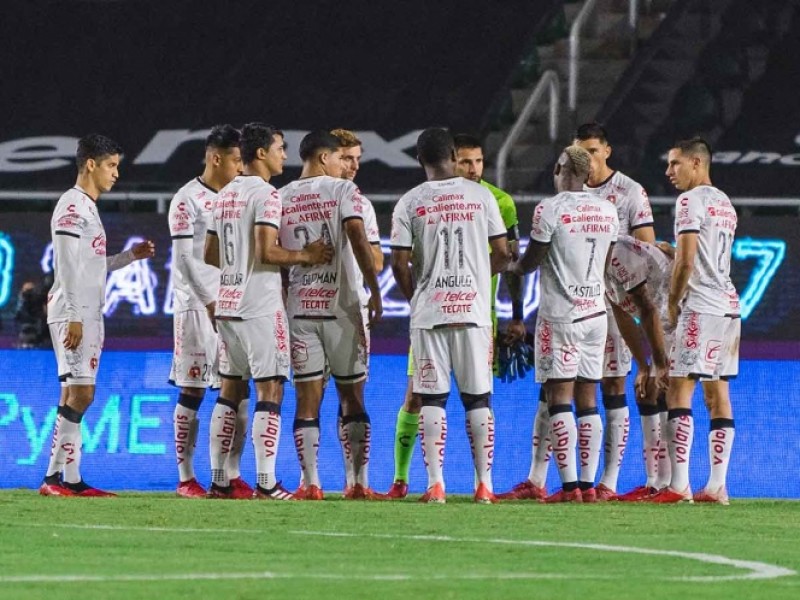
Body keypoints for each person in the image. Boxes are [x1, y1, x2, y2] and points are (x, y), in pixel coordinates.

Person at [387, 132, 523, 499]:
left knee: (432, 399)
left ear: (420, 159)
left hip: (430, 314)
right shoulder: (482, 197)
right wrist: (477, 279)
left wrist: (417, 298)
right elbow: (503, 253)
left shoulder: (409, 201)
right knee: (478, 399)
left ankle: (436, 485)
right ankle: (485, 486)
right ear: (452, 154)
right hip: (474, 312)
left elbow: (398, 262)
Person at [204, 123, 332, 500]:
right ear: (261, 153)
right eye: (280, 148)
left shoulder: (224, 194)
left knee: (230, 389)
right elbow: (267, 252)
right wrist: (306, 255)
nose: (284, 156)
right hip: (258, 305)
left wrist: (237, 264)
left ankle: (219, 480)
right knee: (270, 387)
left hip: (227, 303)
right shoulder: (267, 194)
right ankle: (266, 482)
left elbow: (209, 254)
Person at [39, 134, 155, 497]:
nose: (116, 173)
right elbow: (66, 265)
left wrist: (129, 257)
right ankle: (52, 479)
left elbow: (89, 266)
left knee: (72, 394)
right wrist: (74, 315)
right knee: (82, 394)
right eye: (111, 165)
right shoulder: (73, 205)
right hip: (74, 312)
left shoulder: (87, 207)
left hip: (85, 310)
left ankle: (70, 479)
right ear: (90, 164)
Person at [510, 145, 618, 503]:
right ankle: (588, 486)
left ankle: (570, 488)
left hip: (561, 316)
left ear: (560, 170)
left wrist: (510, 265)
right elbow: (605, 263)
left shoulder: (550, 208)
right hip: (596, 314)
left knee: (559, 399)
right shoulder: (607, 210)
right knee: (588, 399)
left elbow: (530, 262)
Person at [279, 130, 382, 500]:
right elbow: (359, 238)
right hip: (342, 308)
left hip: (300, 310)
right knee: (352, 397)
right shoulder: (344, 192)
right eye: (342, 158)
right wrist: (375, 290)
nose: (347, 165)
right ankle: (357, 483)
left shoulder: (280, 196)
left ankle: (310, 484)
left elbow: (272, 255)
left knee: (307, 400)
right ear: (324, 157)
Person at [650, 137, 739, 505]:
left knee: (678, 391)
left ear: (697, 163)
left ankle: (679, 486)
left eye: (676, 163)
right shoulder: (724, 203)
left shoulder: (689, 201)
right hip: (728, 306)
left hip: (700, 306)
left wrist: (672, 303)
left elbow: (687, 262)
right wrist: (674, 253)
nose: (669, 171)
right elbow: (702, 257)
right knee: (717, 396)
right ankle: (717, 486)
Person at [168, 124, 251, 499]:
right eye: (235, 160)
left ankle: (230, 473)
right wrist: (208, 301)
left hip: (235, 304)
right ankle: (186, 478)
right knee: (193, 387)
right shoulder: (186, 199)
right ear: (216, 158)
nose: (240, 167)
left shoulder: (239, 196)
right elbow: (184, 260)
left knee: (239, 387)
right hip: (195, 307)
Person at [604, 236, 673, 500]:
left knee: (663, 389)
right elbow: (622, 315)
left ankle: (670, 484)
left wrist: (659, 363)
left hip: (677, 312)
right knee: (645, 392)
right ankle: (653, 482)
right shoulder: (594, 260)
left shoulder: (619, 255)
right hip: (658, 315)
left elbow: (647, 310)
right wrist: (642, 365)